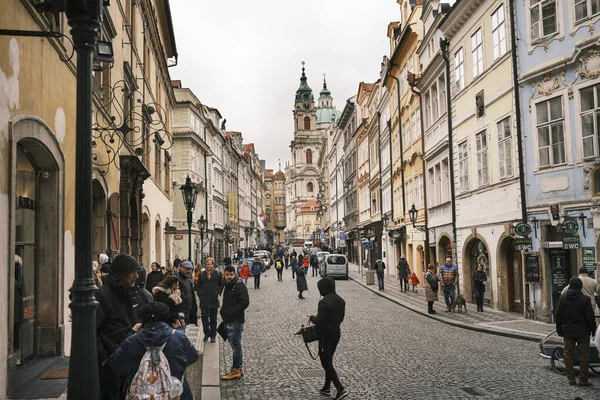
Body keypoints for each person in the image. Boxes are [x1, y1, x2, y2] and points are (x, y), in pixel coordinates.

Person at [107, 302, 199, 400]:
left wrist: (132, 333)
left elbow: (115, 363)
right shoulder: (178, 337)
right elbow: (193, 357)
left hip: (140, 395)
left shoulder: (132, 341)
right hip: (175, 394)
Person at [95, 254, 139, 400]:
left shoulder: (125, 291)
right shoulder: (103, 295)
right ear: (124, 273)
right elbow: (92, 331)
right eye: (134, 272)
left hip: (123, 357)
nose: (137, 276)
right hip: (111, 360)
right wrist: (104, 359)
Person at [309, 278, 348, 400]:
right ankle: (327, 386)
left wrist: (312, 318)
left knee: (325, 362)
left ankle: (340, 388)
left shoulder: (323, 303)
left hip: (325, 335)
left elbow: (319, 322)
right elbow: (341, 318)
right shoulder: (341, 300)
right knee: (329, 359)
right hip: (336, 333)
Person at [555, 276, 597, 386]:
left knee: (568, 354)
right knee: (584, 354)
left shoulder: (563, 298)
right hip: (583, 331)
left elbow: (558, 315)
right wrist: (593, 330)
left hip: (568, 331)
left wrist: (559, 330)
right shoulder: (585, 299)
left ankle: (571, 378)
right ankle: (583, 379)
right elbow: (590, 317)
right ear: (580, 287)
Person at [220, 266, 250, 381]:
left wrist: (230, 313)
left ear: (234, 274)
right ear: (224, 274)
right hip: (230, 320)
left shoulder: (239, 285)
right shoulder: (228, 285)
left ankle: (236, 370)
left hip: (235, 320)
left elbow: (245, 302)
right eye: (227, 274)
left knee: (236, 346)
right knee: (236, 345)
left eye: (231, 275)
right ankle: (238, 367)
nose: (229, 277)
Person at [196, 257, 223, 343]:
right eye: (207, 264)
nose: (208, 266)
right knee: (204, 318)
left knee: (213, 319)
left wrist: (218, 293)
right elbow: (198, 285)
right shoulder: (202, 274)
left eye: (209, 264)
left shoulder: (217, 273)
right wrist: (200, 294)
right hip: (204, 299)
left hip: (213, 299)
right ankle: (206, 334)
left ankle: (213, 335)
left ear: (213, 265)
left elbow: (221, 284)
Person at [177, 261, 198, 325]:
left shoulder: (188, 279)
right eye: (186, 269)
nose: (188, 271)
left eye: (190, 269)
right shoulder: (177, 278)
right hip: (181, 308)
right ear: (181, 268)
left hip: (188, 308)